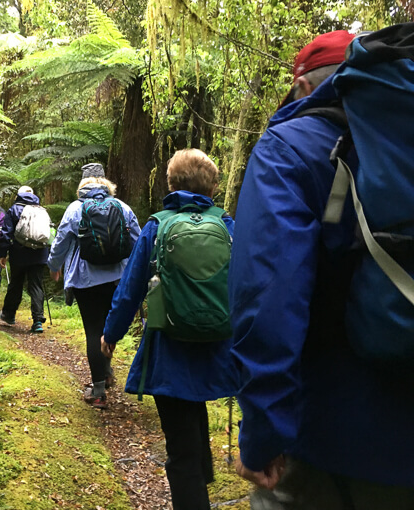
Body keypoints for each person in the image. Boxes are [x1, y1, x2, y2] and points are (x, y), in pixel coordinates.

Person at [229, 30, 414, 508]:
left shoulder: (289, 148)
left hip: (328, 437)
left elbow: (267, 296)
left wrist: (264, 432)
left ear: (305, 87)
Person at [101, 149, 238, 510]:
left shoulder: (158, 225)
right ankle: (200, 475)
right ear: (212, 186)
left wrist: (111, 334)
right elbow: (248, 284)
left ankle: (193, 485)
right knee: (193, 413)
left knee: (180, 447)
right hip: (217, 345)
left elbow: (130, 289)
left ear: (171, 183)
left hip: (169, 347)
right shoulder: (225, 224)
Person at [47, 173, 140, 409]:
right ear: (109, 188)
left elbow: (61, 241)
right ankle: (106, 371)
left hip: (86, 280)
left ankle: (98, 391)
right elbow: (137, 241)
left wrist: (54, 266)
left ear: (81, 190)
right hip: (118, 278)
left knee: (93, 330)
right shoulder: (122, 206)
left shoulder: (75, 208)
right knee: (110, 326)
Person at [0, 186, 48, 333]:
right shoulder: (41, 210)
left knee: (16, 284)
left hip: (19, 254)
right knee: (36, 285)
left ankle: (9, 314)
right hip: (39, 254)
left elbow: (6, 233)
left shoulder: (14, 209)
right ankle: (38, 321)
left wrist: (3, 254)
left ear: (19, 195)